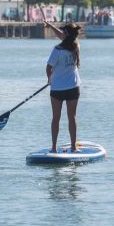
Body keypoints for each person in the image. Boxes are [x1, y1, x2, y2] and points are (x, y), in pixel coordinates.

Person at [42, 15, 82, 153]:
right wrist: (52, 26)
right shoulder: (76, 46)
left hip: (57, 89)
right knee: (72, 118)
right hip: (73, 88)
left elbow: (48, 67)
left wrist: (49, 79)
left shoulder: (57, 50)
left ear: (66, 34)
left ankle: (53, 148)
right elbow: (64, 37)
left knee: (56, 118)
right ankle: (73, 147)